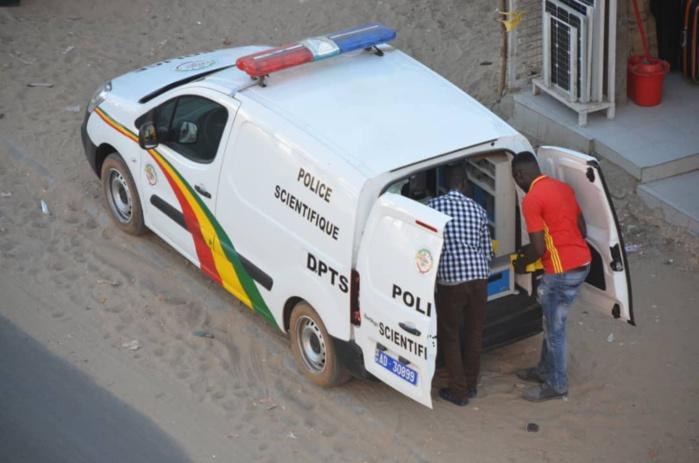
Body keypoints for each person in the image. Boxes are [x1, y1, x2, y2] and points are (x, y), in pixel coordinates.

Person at [510, 151, 591, 402]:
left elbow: (538, 248)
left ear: (520, 175)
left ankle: (557, 384)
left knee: (555, 329)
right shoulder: (562, 188)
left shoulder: (532, 199)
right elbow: (582, 228)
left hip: (560, 272)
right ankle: (544, 370)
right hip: (583, 262)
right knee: (551, 322)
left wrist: (522, 265)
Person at [428, 164, 492, 406]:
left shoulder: (433, 208)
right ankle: (471, 385)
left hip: (451, 282)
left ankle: (458, 392)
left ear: (448, 185)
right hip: (478, 279)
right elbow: (487, 252)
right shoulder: (478, 210)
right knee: (474, 332)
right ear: (465, 185)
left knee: (450, 335)